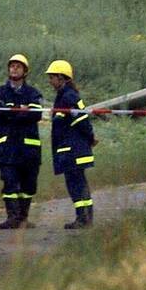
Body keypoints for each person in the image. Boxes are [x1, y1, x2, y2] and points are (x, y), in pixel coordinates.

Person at [0, 54, 43, 229]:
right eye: (11, 66)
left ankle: (23, 218)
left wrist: (11, 112)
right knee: (9, 182)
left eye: (18, 66)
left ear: (25, 71)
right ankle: (12, 217)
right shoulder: (0, 92)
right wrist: (22, 110)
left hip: (29, 149)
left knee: (28, 185)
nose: (14, 68)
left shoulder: (33, 93)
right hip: (6, 147)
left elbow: (36, 114)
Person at [47, 60, 95, 229]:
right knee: (77, 183)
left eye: (52, 77)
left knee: (77, 184)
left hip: (74, 150)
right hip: (72, 150)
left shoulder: (68, 97)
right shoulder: (64, 96)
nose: (50, 81)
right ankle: (84, 217)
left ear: (62, 77)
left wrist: (91, 137)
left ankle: (84, 218)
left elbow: (82, 120)